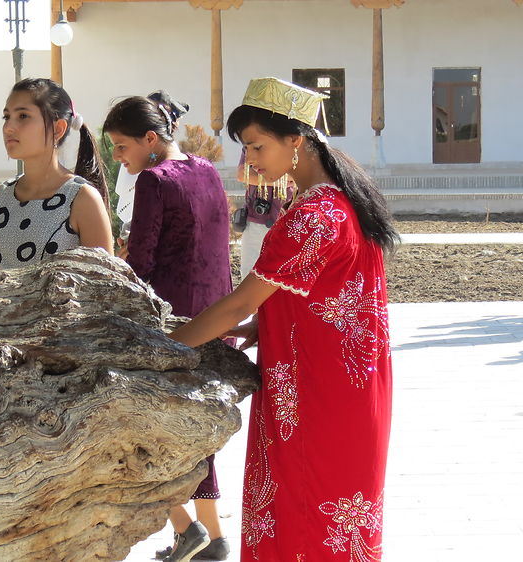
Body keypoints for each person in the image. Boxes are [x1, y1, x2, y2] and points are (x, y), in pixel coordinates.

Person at [169, 77, 398, 560]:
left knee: (303, 512)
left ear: (296, 141)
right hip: (342, 388)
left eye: (256, 145)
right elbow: (325, 296)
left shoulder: (313, 214)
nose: (249, 159)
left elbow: (237, 303)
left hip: (317, 396)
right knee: (324, 517)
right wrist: (264, 326)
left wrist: (165, 346)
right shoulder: (340, 200)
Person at [103, 92, 233, 562]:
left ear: (151, 139)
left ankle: (190, 530)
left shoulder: (155, 181)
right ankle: (207, 538)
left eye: (121, 147)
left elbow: (141, 261)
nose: (118, 157)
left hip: (171, 322)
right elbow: (221, 247)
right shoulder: (207, 170)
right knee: (196, 432)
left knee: (148, 430)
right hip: (217, 313)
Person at [0, 78, 112, 272]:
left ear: (58, 129)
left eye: (23, 116)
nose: (9, 127)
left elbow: (105, 285)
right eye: (6, 117)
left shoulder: (81, 198)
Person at [236, 152, 294, 279]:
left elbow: (300, 176)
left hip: (290, 224)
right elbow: (242, 174)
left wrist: (263, 178)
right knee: (248, 277)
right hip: (255, 224)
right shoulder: (254, 136)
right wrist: (280, 181)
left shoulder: (301, 139)